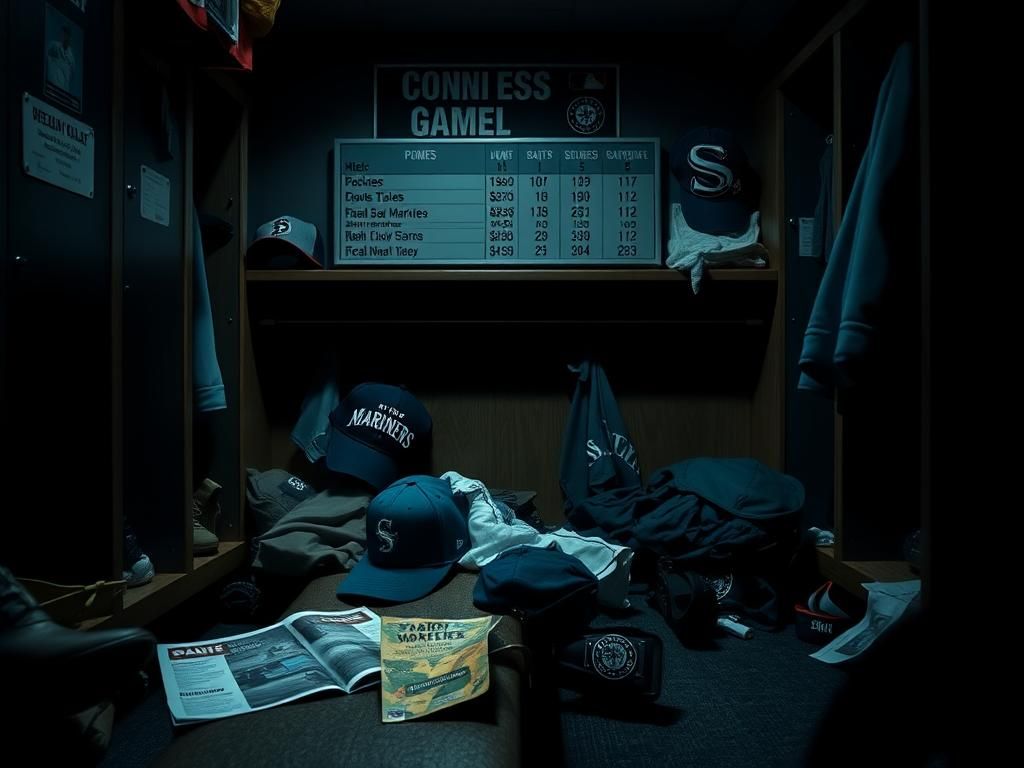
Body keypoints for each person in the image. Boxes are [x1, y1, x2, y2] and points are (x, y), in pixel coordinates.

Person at [46, 24, 76, 93]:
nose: (65, 37)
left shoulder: (71, 57)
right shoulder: (54, 45)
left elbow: (72, 73)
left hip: (63, 87)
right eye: (64, 34)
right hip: (53, 84)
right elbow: (46, 53)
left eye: (67, 35)